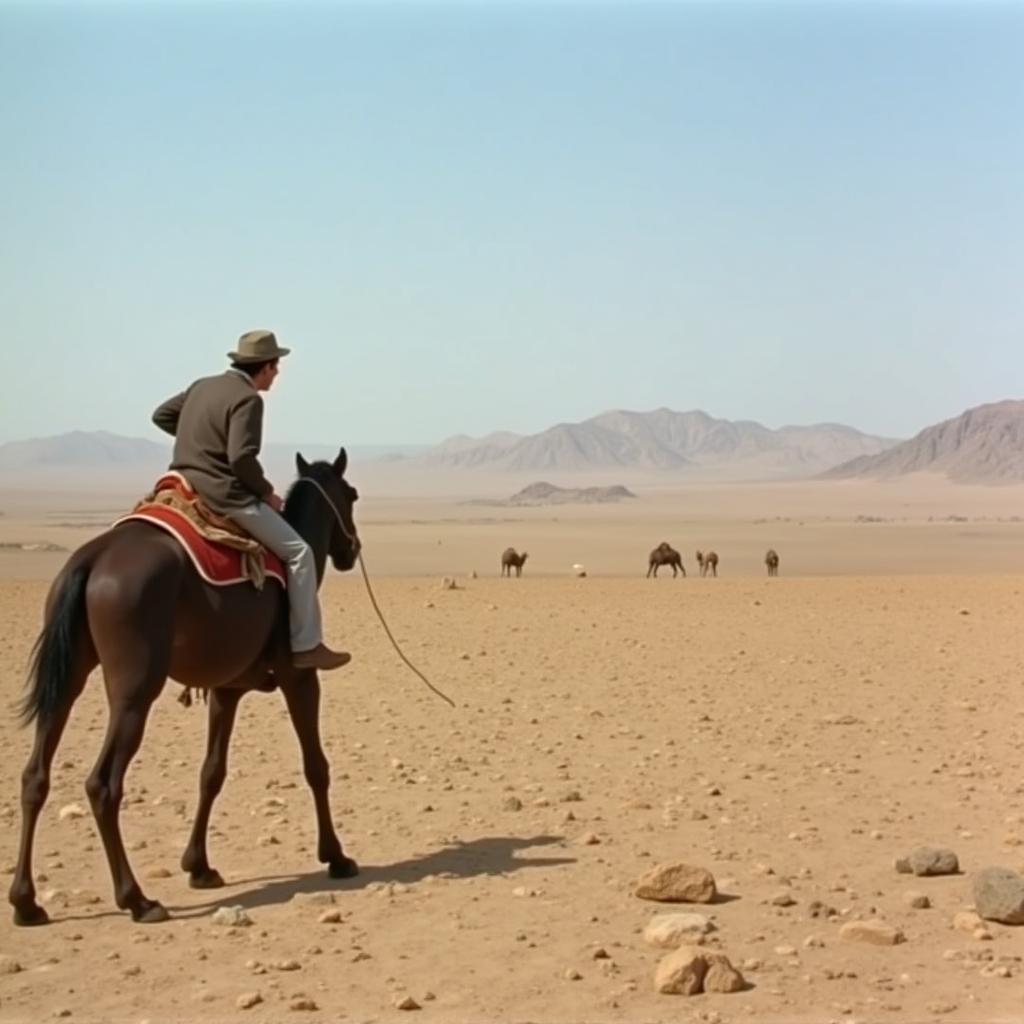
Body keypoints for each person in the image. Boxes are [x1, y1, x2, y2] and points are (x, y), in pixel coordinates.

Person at [152, 329, 351, 672]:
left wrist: (199, 440)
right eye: (276, 368)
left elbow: (161, 415)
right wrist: (265, 493)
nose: (276, 375)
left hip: (182, 485)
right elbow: (241, 459)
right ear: (265, 367)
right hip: (224, 494)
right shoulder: (248, 399)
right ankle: (306, 644)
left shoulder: (202, 386)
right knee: (300, 552)